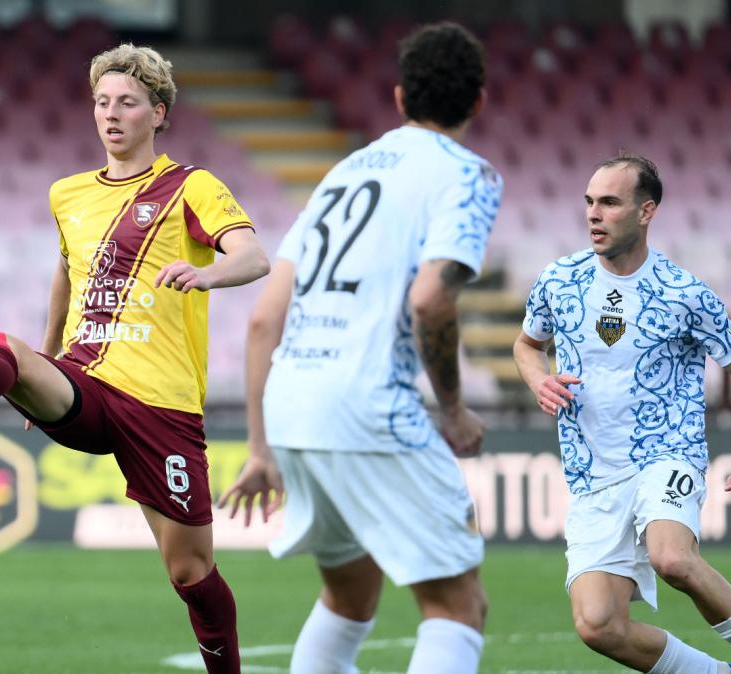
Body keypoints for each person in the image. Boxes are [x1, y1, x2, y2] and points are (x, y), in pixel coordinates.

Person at [0, 44, 268, 673]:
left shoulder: (192, 187)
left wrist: (209, 275)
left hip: (162, 405)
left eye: (127, 102)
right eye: (102, 102)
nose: (111, 113)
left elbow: (253, 257)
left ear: (158, 113)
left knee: (191, 572)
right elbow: (66, 278)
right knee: (6, 350)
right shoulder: (67, 194)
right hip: (84, 382)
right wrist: (38, 366)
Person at [219, 23, 499, 674]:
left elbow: (263, 319)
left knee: (349, 595)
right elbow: (431, 299)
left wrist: (260, 448)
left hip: (294, 407)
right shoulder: (468, 174)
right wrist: (453, 410)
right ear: (479, 103)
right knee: (458, 605)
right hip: (369, 404)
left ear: (399, 99)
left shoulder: (341, 176)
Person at [511, 154, 731, 674]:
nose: (594, 214)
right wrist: (538, 379)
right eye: (590, 202)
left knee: (672, 558)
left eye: (610, 203)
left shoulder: (683, 293)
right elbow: (527, 345)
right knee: (598, 625)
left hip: (667, 451)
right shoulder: (559, 280)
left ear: (646, 212)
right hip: (593, 474)